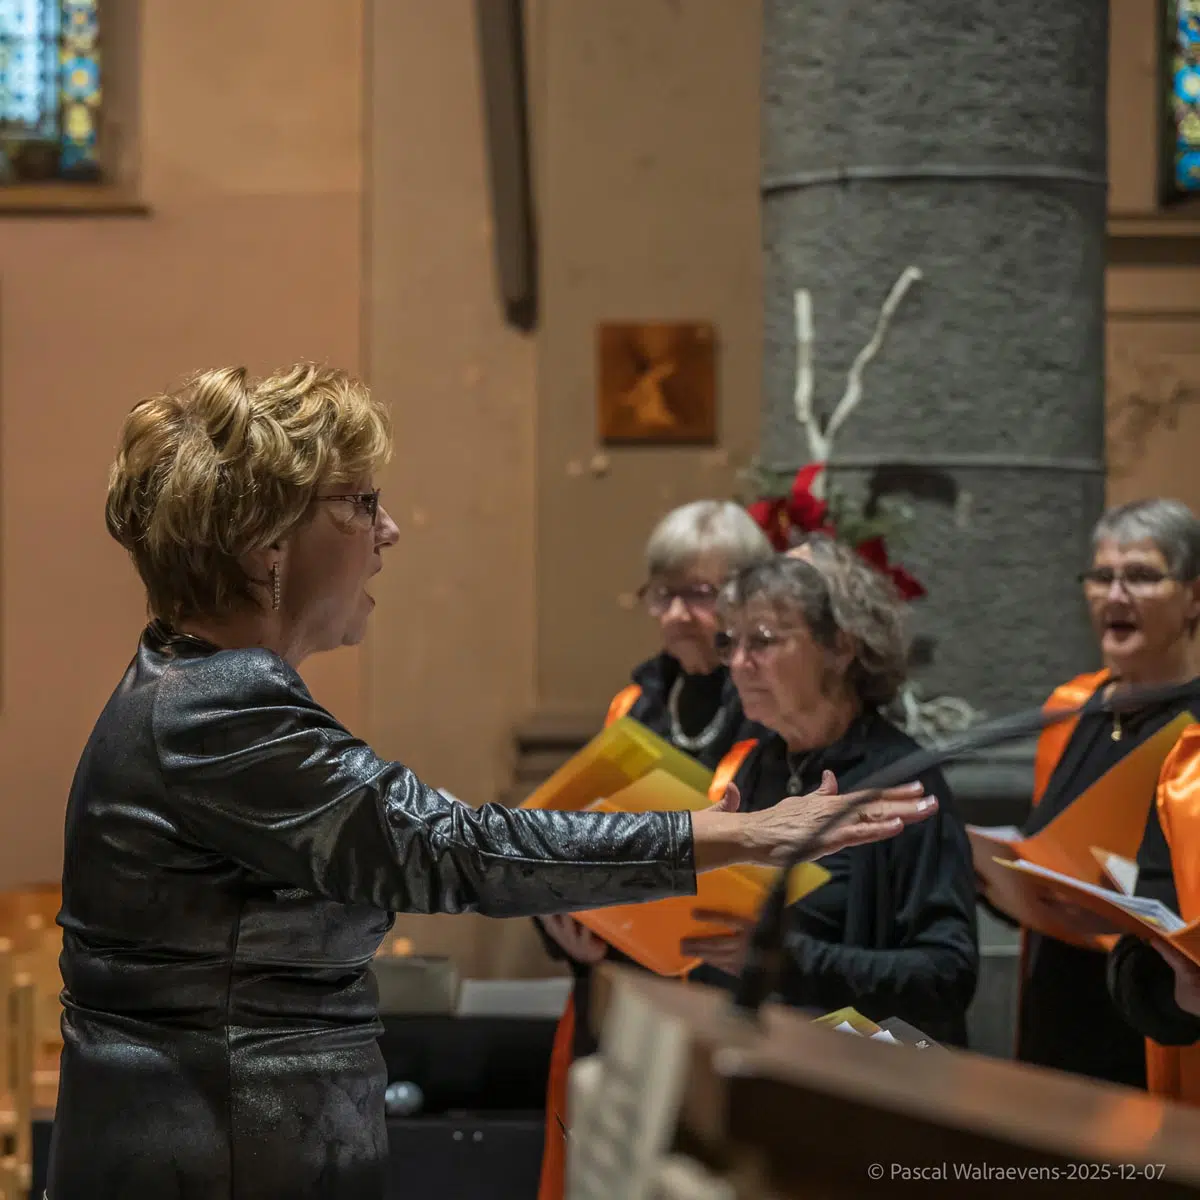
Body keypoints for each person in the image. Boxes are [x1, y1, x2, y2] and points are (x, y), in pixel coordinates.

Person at [47, 364, 936, 1200]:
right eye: (362, 503)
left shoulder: (204, 690)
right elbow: (453, 848)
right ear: (267, 540)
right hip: (217, 1152)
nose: (389, 531)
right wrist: (737, 834)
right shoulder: (218, 708)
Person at [534, 500, 772, 1200]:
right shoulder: (633, 704)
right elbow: (584, 832)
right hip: (625, 984)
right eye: (662, 593)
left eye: (699, 595)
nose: (674, 615)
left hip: (720, 990)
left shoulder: (771, 704)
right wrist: (574, 930)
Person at [681, 541, 979, 1046]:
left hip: (860, 1089)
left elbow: (946, 975)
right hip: (753, 1067)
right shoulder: (758, 766)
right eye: (732, 643)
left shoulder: (902, 780)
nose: (738, 664)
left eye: (765, 641)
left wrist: (787, 960)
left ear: (841, 648)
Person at [997, 498, 1200, 1095]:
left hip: (1154, 1025)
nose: (1114, 594)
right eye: (1101, 576)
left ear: (1193, 596)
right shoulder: (1073, 706)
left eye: (1140, 575)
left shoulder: (1196, 731)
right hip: (1056, 1011)